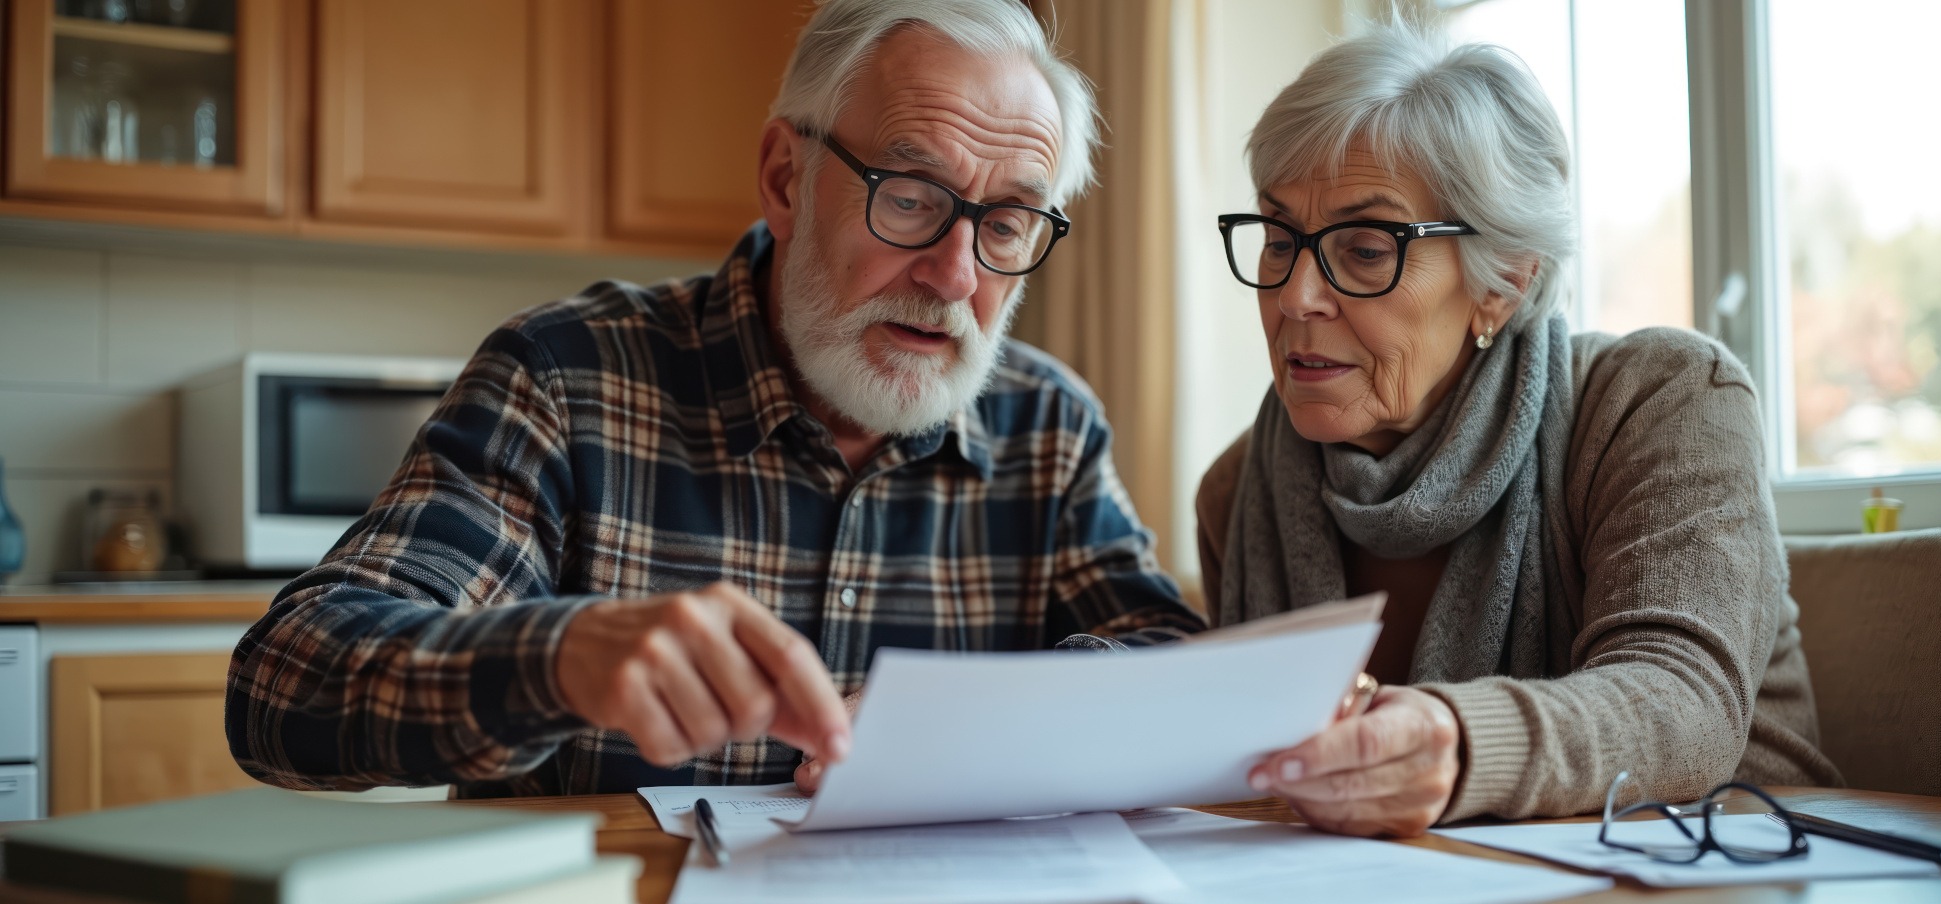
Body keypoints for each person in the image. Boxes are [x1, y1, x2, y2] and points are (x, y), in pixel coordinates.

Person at [226, 0, 1202, 800]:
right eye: (909, 195)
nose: (954, 275)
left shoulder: (1048, 425)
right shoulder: (568, 377)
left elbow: (1174, 671)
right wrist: (561, 657)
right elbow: (285, 683)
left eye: (1007, 221)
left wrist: (1005, 715)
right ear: (786, 178)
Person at [1195, 23, 1841, 838]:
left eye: (1364, 249)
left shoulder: (1659, 401)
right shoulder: (1235, 490)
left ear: (1503, 280)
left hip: (1726, 860)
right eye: (1281, 240)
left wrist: (1460, 745)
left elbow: (1682, 704)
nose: (1294, 296)